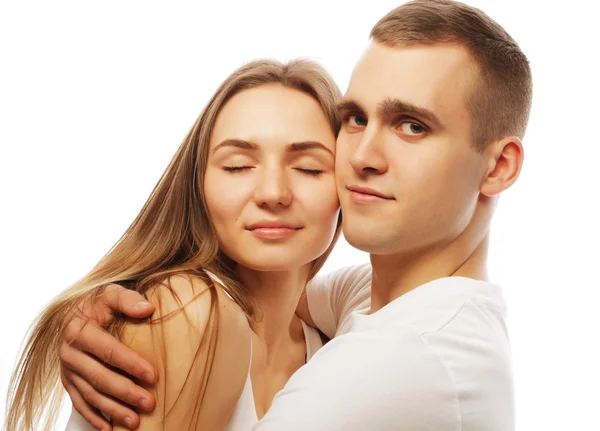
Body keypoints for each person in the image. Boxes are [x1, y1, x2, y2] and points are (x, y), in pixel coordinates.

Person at [17, 0, 534, 430]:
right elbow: (294, 300)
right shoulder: (379, 303)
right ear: (197, 183)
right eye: (354, 118)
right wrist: (101, 302)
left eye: (413, 126)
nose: (363, 157)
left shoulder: (405, 356)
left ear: (499, 167)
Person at [4, 59, 345, 431]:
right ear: (198, 187)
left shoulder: (338, 347)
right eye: (237, 166)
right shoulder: (189, 309)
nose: (273, 193)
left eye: (309, 168)